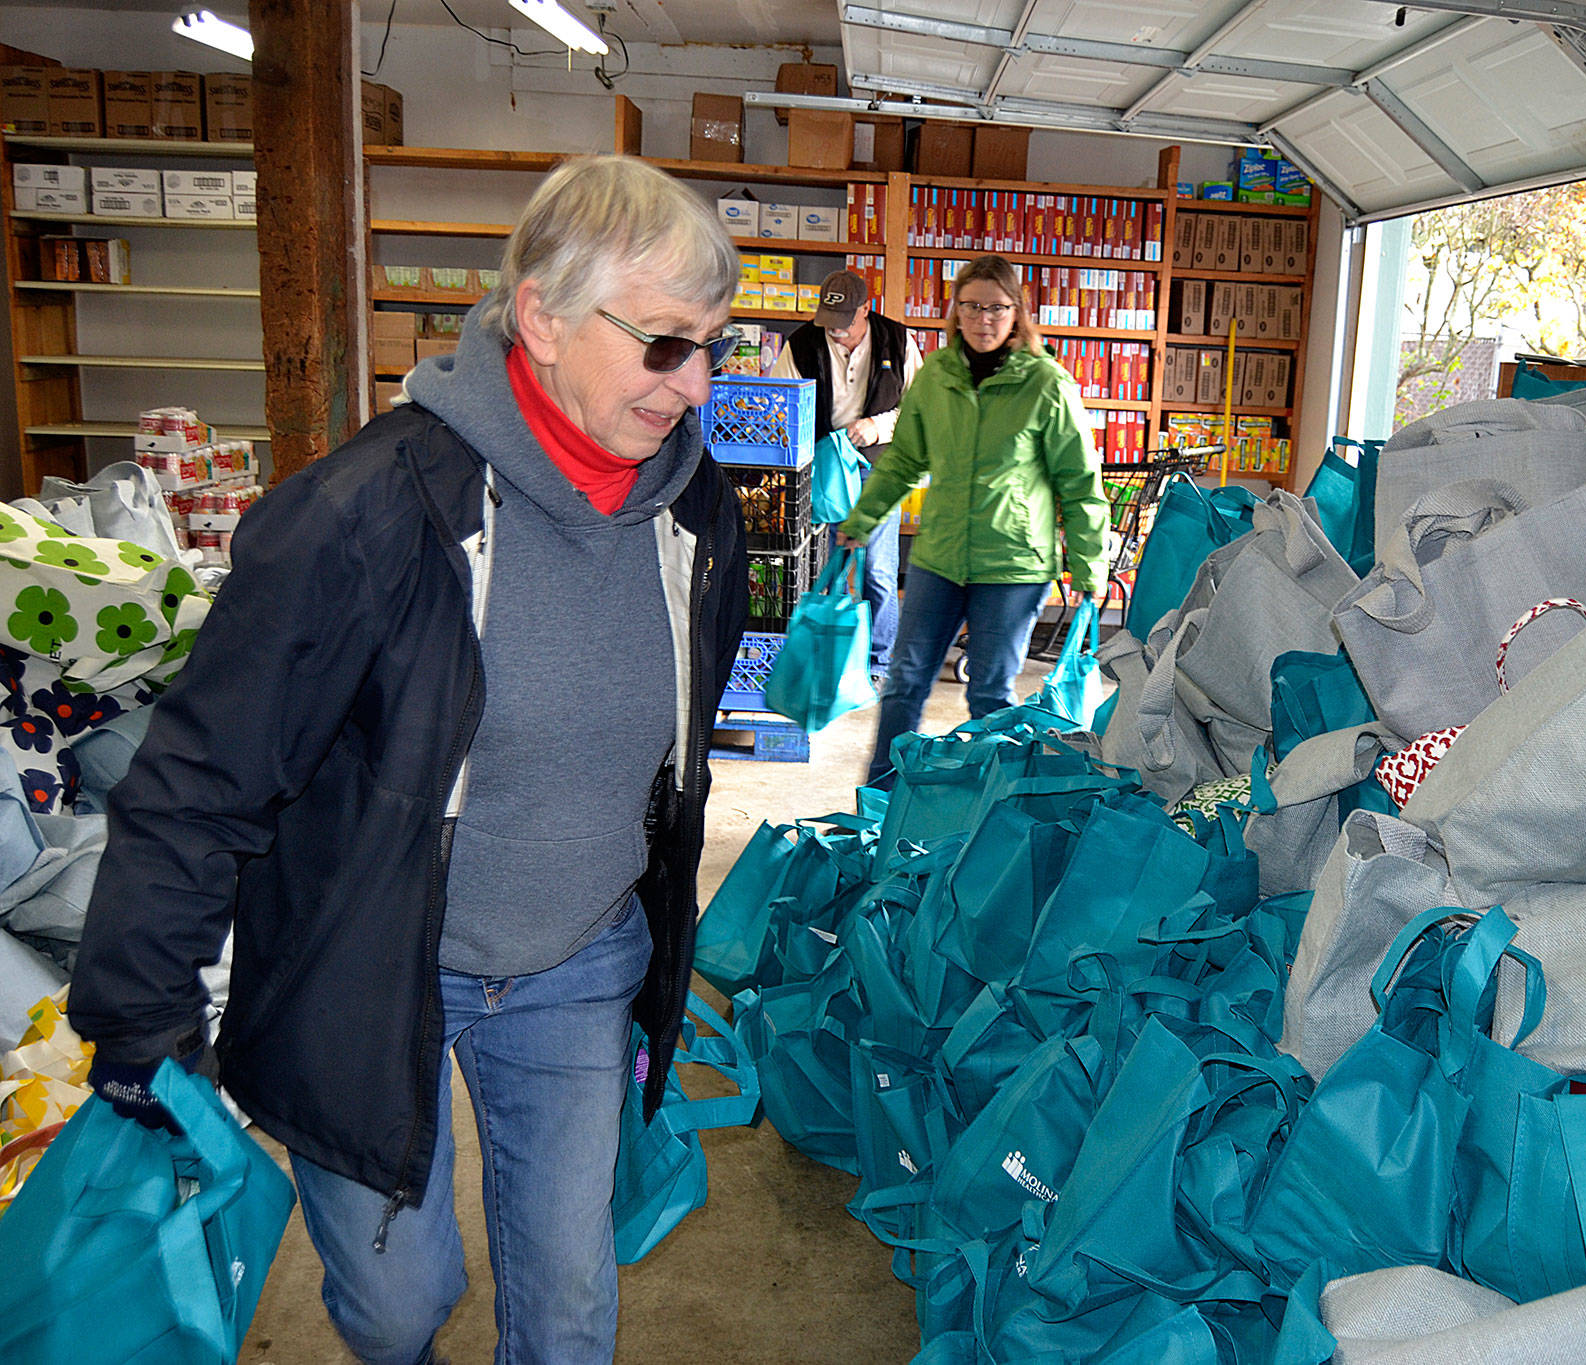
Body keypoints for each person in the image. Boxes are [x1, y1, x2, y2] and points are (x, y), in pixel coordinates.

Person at [67, 154, 750, 1365]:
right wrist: (138, 1013)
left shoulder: (697, 516)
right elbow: (201, 776)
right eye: (660, 344)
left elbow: (678, 753)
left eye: (713, 344)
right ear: (539, 316)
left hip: (578, 959)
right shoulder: (361, 515)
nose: (694, 385)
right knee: (397, 1305)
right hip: (370, 964)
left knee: (574, 1304)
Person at [839, 254, 1109, 786]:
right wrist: (864, 516)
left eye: (996, 308)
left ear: (1017, 312)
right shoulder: (937, 375)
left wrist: (1090, 568)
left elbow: (1080, 484)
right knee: (904, 682)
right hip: (940, 558)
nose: (984, 319)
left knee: (989, 691)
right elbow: (904, 458)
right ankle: (880, 804)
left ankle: (989, 810)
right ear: (955, 311)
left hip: (1012, 565)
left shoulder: (1047, 384)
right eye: (971, 307)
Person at [769, 269, 922, 681]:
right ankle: (815, 658)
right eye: (828, 323)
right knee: (819, 564)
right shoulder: (800, 344)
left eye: (844, 324)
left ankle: (879, 662)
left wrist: (879, 426)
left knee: (877, 569)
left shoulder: (898, 340)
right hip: (821, 468)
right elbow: (778, 403)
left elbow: (920, 410)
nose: (835, 333)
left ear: (866, 310)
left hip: (880, 467)